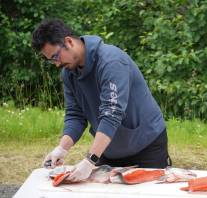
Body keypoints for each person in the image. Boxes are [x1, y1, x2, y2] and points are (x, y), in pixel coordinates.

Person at [31, 19, 171, 182]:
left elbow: (112, 114)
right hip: (108, 149)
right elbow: (75, 116)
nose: (56, 64)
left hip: (146, 147)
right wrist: (61, 149)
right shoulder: (69, 73)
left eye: (56, 56)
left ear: (68, 42)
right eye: (51, 60)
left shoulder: (111, 62)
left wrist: (90, 160)